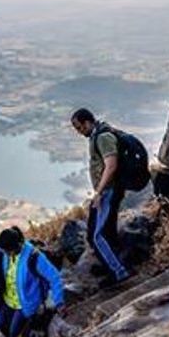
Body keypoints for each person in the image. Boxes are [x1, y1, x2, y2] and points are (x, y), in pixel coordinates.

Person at [70, 108, 132, 286]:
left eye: (79, 127)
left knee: (98, 236)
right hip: (106, 191)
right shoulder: (97, 135)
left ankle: (119, 272)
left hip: (108, 191)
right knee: (102, 233)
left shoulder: (103, 137)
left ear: (87, 122)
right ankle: (111, 265)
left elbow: (111, 166)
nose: (79, 131)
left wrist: (98, 192)